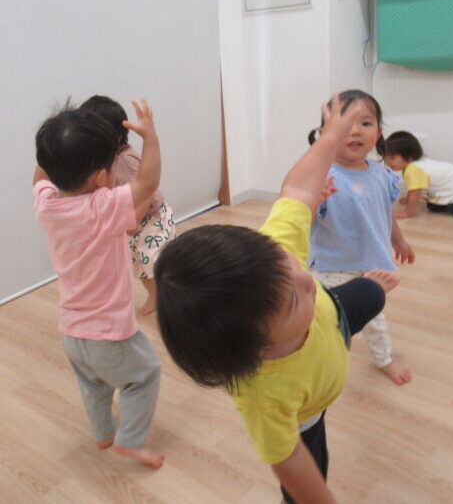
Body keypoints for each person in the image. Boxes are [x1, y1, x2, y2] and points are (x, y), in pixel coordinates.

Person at [155, 94, 399, 503]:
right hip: (310, 412)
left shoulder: (271, 258)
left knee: (370, 292)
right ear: (258, 346)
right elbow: (290, 463)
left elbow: (298, 189)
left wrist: (330, 136)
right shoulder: (265, 397)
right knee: (312, 467)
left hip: (333, 314)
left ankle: (373, 289)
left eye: (291, 265)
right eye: (292, 301)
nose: (307, 280)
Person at [33, 99, 164, 468]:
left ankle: (104, 434)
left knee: (94, 385)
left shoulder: (47, 205)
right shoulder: (103, 207)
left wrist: (55, 133)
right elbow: (148, 182)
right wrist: (151, 137)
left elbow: (40, 178)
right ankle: (130, 441)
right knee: (145, 375)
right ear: (101, 177)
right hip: (109, 332)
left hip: (71, 332)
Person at [308, 90, 414, 385]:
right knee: (327, 318)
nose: (355, 131)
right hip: (331, 267)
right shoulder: (322, 176)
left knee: (373, 317)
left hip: (371, 265)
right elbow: (302, 219)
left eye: (365, 123)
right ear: (326, 133)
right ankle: (318, 358)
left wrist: (398, 240)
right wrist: (313, 201)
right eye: (345, 123)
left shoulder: (382, 174)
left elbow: (384, 211)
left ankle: (384, 357)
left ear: (378, 133)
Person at [80, 95, 176, 315]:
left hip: (152, 219)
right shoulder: (109, 159)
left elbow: (146, 192)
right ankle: (160, 292)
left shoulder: (125, 160)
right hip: (137, 222)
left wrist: (133, 220)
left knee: (149, 264)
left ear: (114, 134)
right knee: (141, 265)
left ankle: (159, 296)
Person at [383, 130, 453, 218]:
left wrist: (407, 212)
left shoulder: (414, 170)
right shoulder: (410, 167)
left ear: (409, 156)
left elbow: (415, 193)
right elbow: (412, 188)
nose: (388, 161)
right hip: (446, 185)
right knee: (433, 207)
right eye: (386, 157)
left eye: (392, 158)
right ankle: (448, 201)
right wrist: (408, 199)